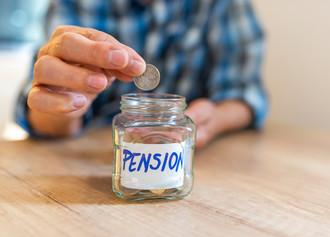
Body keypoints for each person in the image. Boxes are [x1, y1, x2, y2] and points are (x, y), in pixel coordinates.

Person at [16, 0, 268, 149]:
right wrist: (63, 98)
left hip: (193, 155)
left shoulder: (222, 5)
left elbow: (245, 91)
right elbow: (41, 110)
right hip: (84, 153)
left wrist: (217, 118)